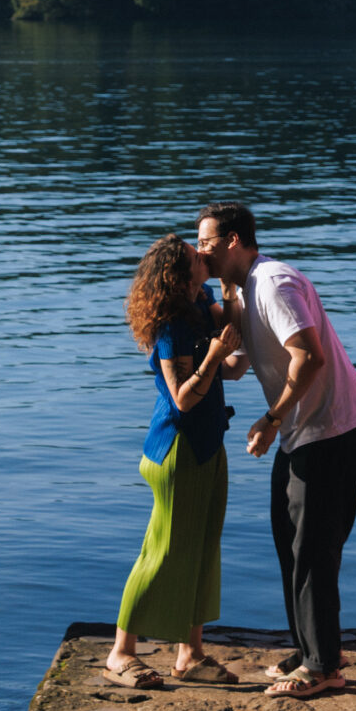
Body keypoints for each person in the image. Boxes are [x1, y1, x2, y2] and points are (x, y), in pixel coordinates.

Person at [195, 203, 356, 701]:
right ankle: (311, 649)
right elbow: (234, 367)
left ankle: (323, 669)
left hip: (333, 427)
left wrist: (271, 419)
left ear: (233, 241)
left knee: (313, 548)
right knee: (288, 538)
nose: (200, 251)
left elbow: (310, 357)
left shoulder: (273, 283)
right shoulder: (244, 291)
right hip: (303, 428)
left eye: (206, 242)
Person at [108, 233, 245, 686]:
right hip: (177, 450)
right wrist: (214, 358)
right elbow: (184, 399)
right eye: (194, 255)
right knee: (163, 552)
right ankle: (120, 653)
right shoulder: (171, 325)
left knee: (204, 548)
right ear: (179, 274)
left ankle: (191, 656)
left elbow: (232, 360)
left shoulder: (203, 298)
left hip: (209, 444)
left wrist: (231, 303)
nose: (203, 254)